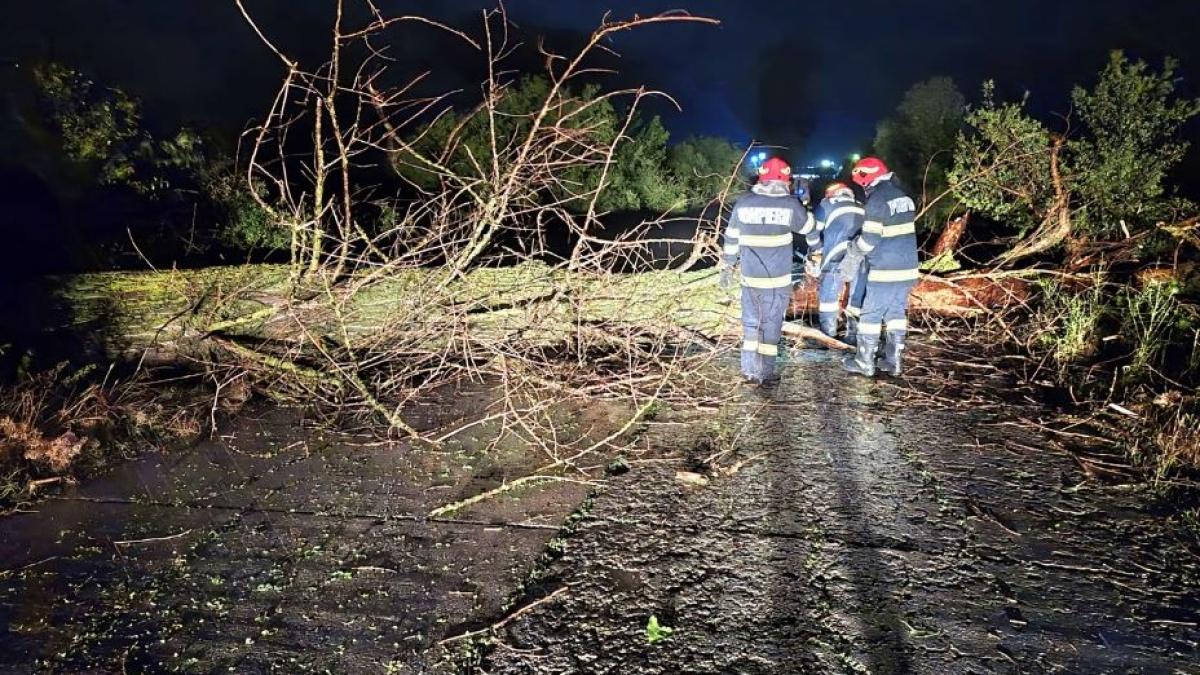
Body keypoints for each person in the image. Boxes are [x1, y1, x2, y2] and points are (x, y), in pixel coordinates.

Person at [721, 157, 814, 384]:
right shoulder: (791, 205)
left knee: (751, 325)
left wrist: (727, 268)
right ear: (785, 180)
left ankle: (750, 372)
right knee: (771, 327)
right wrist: (806, 205)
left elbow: (731, 238)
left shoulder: (743, 203)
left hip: (750, 279)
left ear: (761, 178)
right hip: (777, 282)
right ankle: (766, 374)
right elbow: (810, 230)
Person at [839, 157, 919, 377]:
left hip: (885, 269)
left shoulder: (877, 200)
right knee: (895, 312)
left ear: (867, 179)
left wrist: (853, 252)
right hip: (908, 268)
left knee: (871, 315)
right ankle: (893, 362)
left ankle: (864, 363)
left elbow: (870, 240)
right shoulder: (904, 197)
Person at [806, 182, 866, 341]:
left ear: (831, 194)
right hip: (861, 255)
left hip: (836, 255)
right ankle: (853, 337)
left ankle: (828, 335)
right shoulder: (861, 206)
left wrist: (814, 252)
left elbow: (813, 231)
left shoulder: (827, 204)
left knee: (829, 297)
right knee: (856, 297)